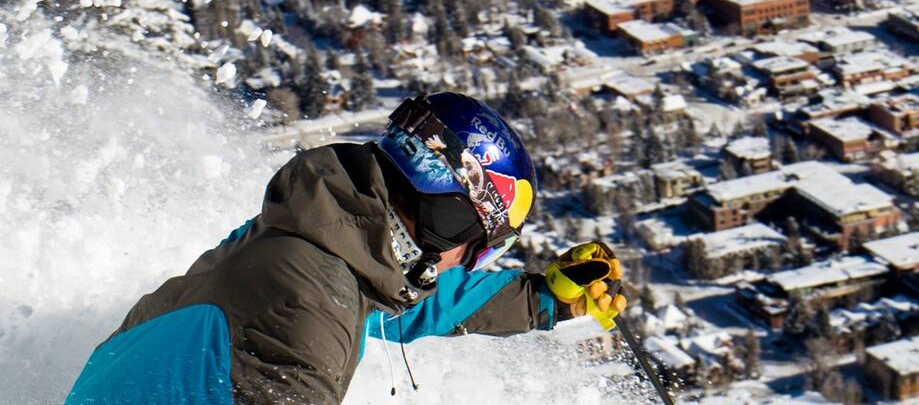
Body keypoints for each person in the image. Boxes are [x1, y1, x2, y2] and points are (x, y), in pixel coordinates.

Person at [63, 92, 629, 404]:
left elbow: (411, 301)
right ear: (449, 220)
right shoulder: (305, 324)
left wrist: (545, 301)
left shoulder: (304, 238)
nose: (466, 261)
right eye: (478, 248)